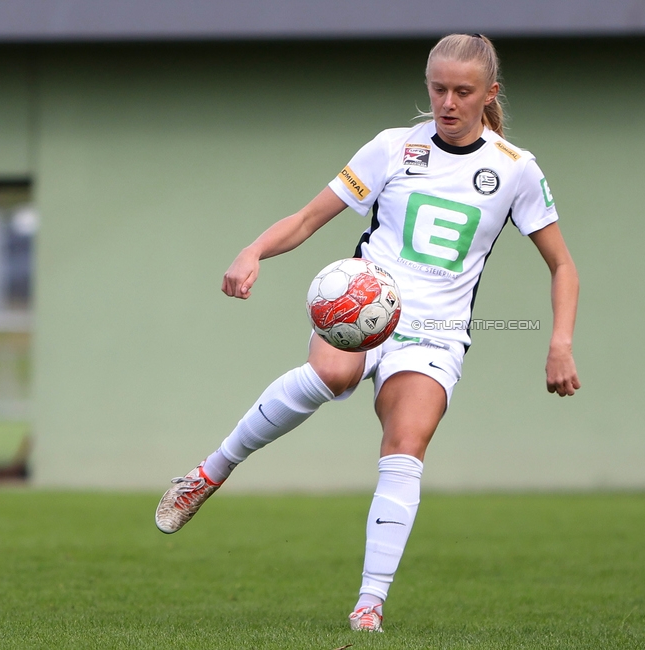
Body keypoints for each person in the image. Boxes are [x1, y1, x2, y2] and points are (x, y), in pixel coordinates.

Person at [154, 33, 580, 632]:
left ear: (490, 94)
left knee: (405, 446)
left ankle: (368, 605)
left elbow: (562, 264)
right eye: (438, 89)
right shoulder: (390, 148)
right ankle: (208, 475)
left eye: (463, 91)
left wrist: (559, 342)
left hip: (437, 331)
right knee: (332, 372)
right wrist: (253, 252)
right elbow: (307, 218)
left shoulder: (516, 170)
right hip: (363, 304)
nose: (448, 103)